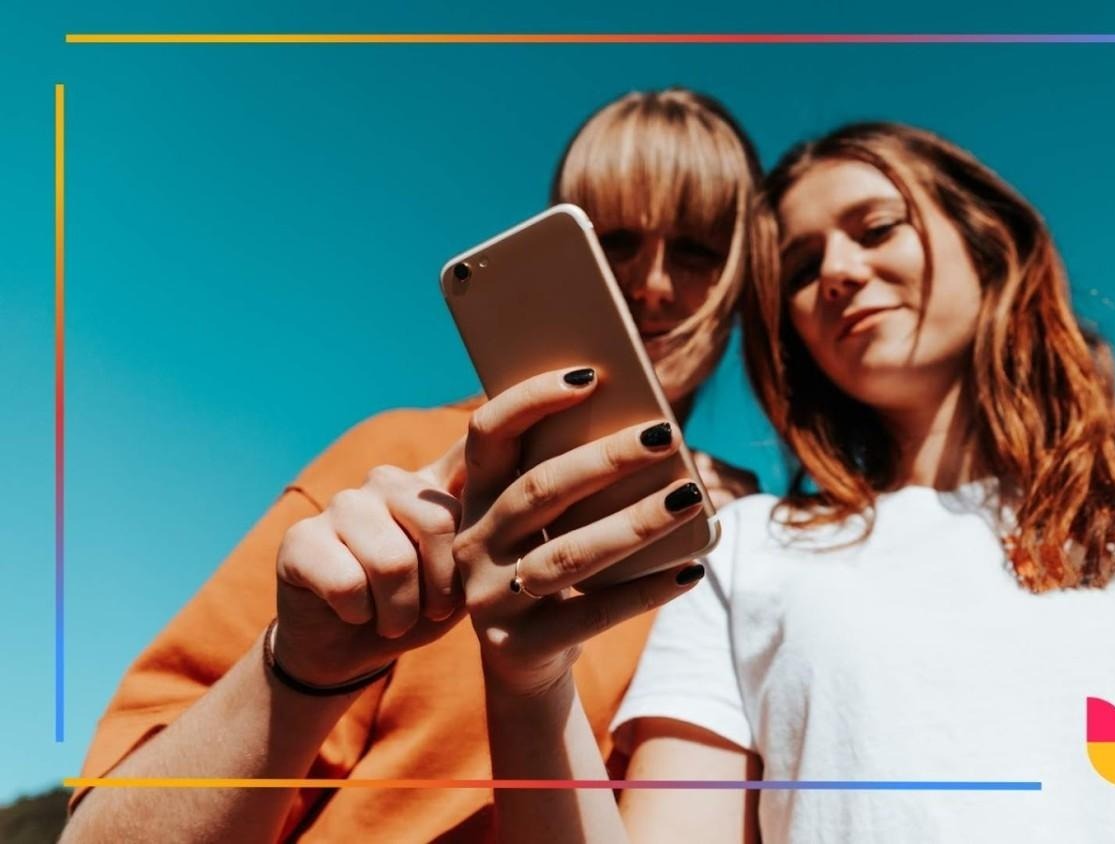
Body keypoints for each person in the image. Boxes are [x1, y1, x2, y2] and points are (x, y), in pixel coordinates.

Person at [461, 122, 1115, 843]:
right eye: (801, 269)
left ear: (989, 241)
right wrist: (528, 687)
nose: (837, 273)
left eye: (875, 227)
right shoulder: (747, 552)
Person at [64, 88, 762, 843]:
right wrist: (299, 674)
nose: (654, 284)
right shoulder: (402, 464)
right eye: (615, 241)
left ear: (743, 279)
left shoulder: (762, 537)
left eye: (697, 250)